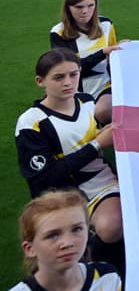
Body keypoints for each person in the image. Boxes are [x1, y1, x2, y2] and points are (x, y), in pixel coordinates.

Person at [15, 50, 124, 271]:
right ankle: (90, 261)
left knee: (112, 227)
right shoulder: (31, 122)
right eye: (58, 77)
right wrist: (96, 145)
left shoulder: (87, 102)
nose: (68, 82)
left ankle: (109, 271)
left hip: (100, 183)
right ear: (40, 81)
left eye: (74, 75)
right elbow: (44, 179)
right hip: (59, 194)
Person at [6, 190, 122, 291]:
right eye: (53, 235)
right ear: (29, 249)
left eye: (77, 229)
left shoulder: (108, 278)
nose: (68, 243)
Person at [49, 0, 124, 118]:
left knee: (103, 112)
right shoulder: (58, 33)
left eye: (90, 5)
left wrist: (123, 48)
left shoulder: (106, 25)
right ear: (68, 8)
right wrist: (102, 53)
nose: (85, 11)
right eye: (79, 7)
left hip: (104, 85)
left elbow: (113, 58)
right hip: (73, 89)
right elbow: (67, 69)